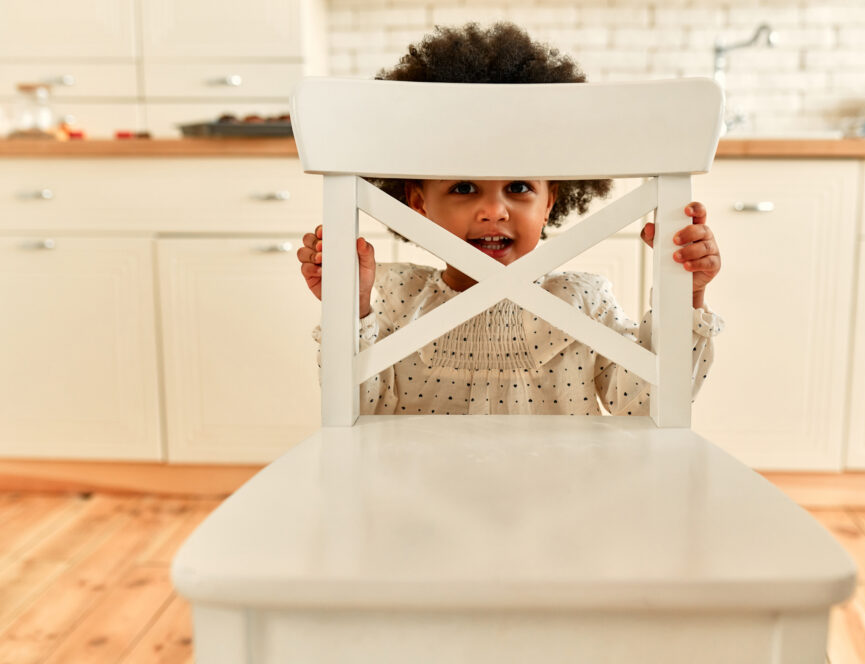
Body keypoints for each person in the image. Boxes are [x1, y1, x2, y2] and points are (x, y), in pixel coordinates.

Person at [296, 22, 723, 416]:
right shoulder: (392, 296)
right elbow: (359, 414)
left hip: (565, 492)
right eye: (463, 188)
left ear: (550, 201)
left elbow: (649, 402)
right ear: (417, 202)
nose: (495, 211)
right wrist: (352, 309)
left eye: (518, 187)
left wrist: (688, 294)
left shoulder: (583, 300)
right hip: (420, 492)